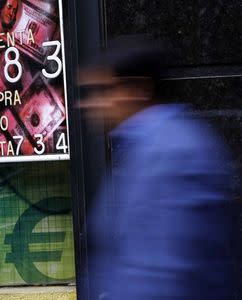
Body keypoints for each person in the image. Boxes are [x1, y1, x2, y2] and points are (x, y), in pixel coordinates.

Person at [80, 36, 235, 300]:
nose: (87, 104)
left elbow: (161, 280)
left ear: (138, 90)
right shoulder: (144, 148)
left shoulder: (172, 154)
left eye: (103, 90)